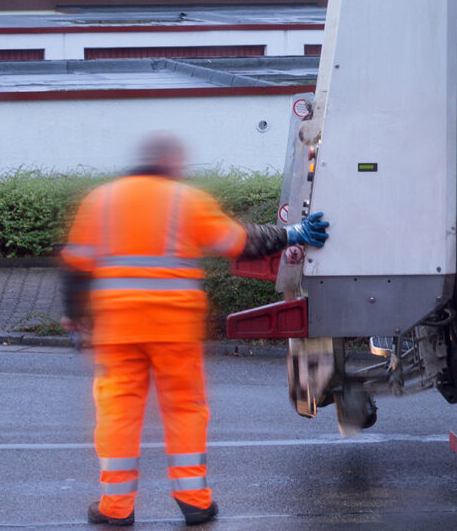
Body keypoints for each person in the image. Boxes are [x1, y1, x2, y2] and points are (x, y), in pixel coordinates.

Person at [61, 131, 330, 527]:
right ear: (170, 165)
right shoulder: (184, 200)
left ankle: (115, 508)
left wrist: (74, 315)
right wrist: (293, 233)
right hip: (174, 328)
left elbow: (76, 266)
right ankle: (195, 503)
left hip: (117, 328)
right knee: (184, 409)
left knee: (117, 411)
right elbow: (239, 242)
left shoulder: (100, 200)